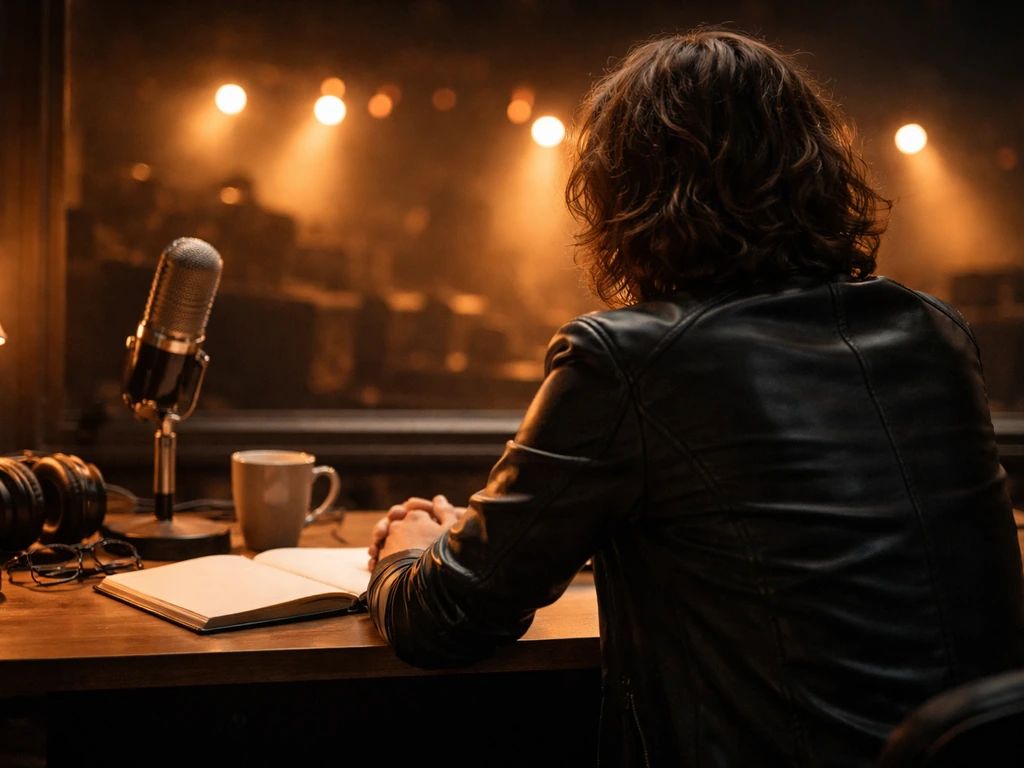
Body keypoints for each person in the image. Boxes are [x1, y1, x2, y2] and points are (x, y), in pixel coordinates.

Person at [364, 28, 1024, 767]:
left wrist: (409, 551)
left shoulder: (628, 359)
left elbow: (446, 618)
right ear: (821, 169)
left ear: (625, 196)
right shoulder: (933, 332)